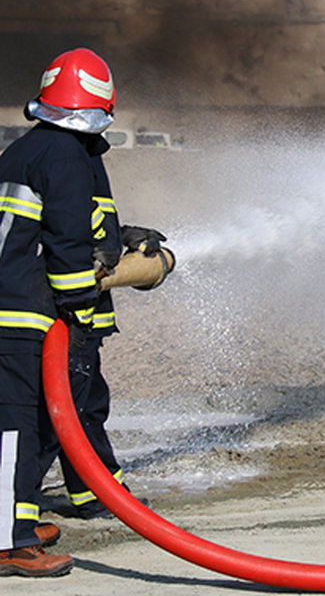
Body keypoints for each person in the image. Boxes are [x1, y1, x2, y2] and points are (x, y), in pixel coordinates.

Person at [0, 49, 161, 576]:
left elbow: (59, 227)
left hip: (23, 308)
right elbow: (69, 252)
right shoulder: (69, 157)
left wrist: (123, 237)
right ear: (100, 105)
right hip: (31, 315)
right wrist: (78, 311)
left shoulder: (31, 150)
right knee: (21, 424)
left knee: (66, 410)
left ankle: (65, 501)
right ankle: (9, 540)